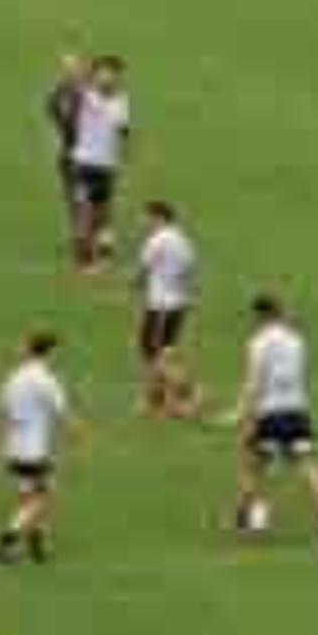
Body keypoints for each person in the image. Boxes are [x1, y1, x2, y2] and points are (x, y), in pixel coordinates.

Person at [231, 293, 318, 552]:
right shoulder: (297, 340)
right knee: (310, 466)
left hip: (270, 414)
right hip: (297, 412)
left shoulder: (258, 342)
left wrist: (240, 412)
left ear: (260, 315)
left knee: (253, 466)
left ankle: (244, 517)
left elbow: (254, 382)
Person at [0, 330, 73, 565]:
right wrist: (79, 433)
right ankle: (5, 542)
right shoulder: (46, 380)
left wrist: (0, 446)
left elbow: (1, 412)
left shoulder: (14, 377)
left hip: (13, 447)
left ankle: (36, 545)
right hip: (33, 450)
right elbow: (62, 413)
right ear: (51, 353)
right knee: (42, 498)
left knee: (28, 497)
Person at [67, 55, 133, 271]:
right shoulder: (87, 95)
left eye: (113, 74)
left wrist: (124, 154)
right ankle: (84, 258)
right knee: (84, 210)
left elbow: (123, 130)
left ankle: (103, 254)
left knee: (103, 213)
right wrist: (74, 66)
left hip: (106, 165)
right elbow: (76, 82)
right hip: (83, 163)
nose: (108, 78)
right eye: (104, 74)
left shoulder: (122, 101)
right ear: (96, 76)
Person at [135, 199, 200, 417]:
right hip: (178, 304)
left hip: (159, 305)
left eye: (146, 217)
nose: (144, 222)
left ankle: (188, 392)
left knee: (153, 353)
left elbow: (143, 269)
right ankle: (156, 400)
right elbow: (190, 270)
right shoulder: (184, 240)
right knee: (164, 352)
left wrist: (134, 285)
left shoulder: (157, 240)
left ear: (158, 217)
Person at [42, 53, 89, 255]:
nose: (71, 73)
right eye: (67, 69)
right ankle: (77, 234)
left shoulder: (88, 94)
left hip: (89, 153)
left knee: (86, 196)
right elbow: (54, 118)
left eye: (75, 69)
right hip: (69, 151)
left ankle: (86, 235)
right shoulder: (56, 94)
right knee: (71, 196)